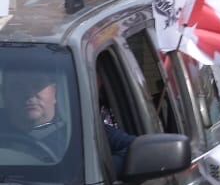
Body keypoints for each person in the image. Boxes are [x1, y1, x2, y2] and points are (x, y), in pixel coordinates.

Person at [2, 66, 131, 169]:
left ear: (54, 92)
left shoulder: (83, 129)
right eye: (17, 87)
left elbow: (137, 150)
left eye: (37, 85)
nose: (29, 95)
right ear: (5, 95)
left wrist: (96, 170)